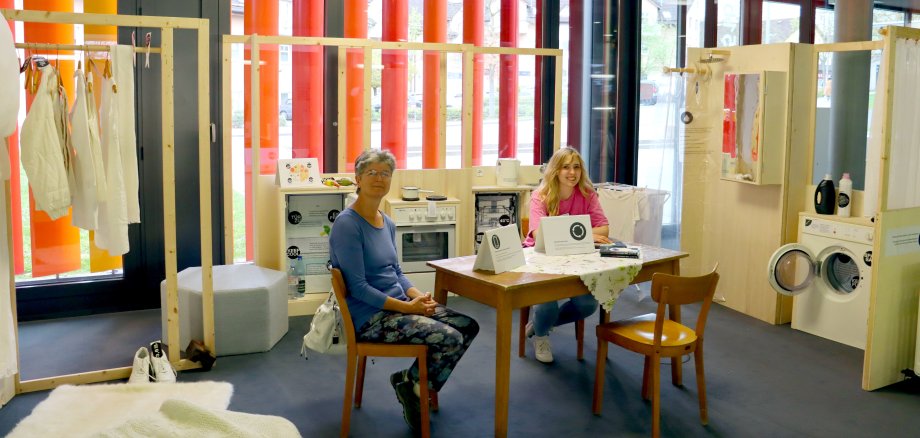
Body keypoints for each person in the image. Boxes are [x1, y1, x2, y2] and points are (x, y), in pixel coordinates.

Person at [329, 149, 479, 433]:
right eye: (372, 172)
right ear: (357, 179)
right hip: (371, 318)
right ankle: (415, 389)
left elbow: (396, 272)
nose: (379, 178)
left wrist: (417, 296)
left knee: (468, 326)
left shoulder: (386, 222)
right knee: (449, 338)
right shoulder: (347, 225)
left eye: (385, 173)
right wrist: (408, 308)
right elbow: (358, 288)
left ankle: (410, 384)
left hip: (398, 306)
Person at [523, 147, 611, 363]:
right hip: (542, 258)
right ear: (555, 170)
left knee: (588, 305)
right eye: (566, 167)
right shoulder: (540, 196)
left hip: (575, 258)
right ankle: (541, 336)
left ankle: (539, 325)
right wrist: (584, 233)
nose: (572, 173)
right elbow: (539, 235)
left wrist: (574, 234)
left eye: (576, 167)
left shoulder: (587, 194)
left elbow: (604, 229)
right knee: (547, 305)